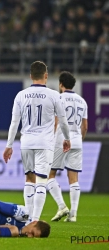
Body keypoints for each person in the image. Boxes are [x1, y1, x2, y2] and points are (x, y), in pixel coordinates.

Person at [3, 61, 71, 222]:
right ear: (46, 76)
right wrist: (67, 138)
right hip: (44, 143)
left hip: (26, 142)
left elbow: (14, 123)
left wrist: (9, 145)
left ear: (30, 76)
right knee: (41, 181)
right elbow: (63, 121)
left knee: (29, 179)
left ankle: (28, 220)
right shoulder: (54, 95)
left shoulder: (21, 95)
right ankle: (35, 220)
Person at [47, 72, 88, 222]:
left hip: (61, 140)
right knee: (74, 179)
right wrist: (79, 140)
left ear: (61, 84)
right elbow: (85, 126)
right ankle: (73, 214)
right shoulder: (82, 101)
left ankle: (62, 206)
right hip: (77, 141)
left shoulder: (59, 98)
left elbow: (56, 122)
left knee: (49, 175)